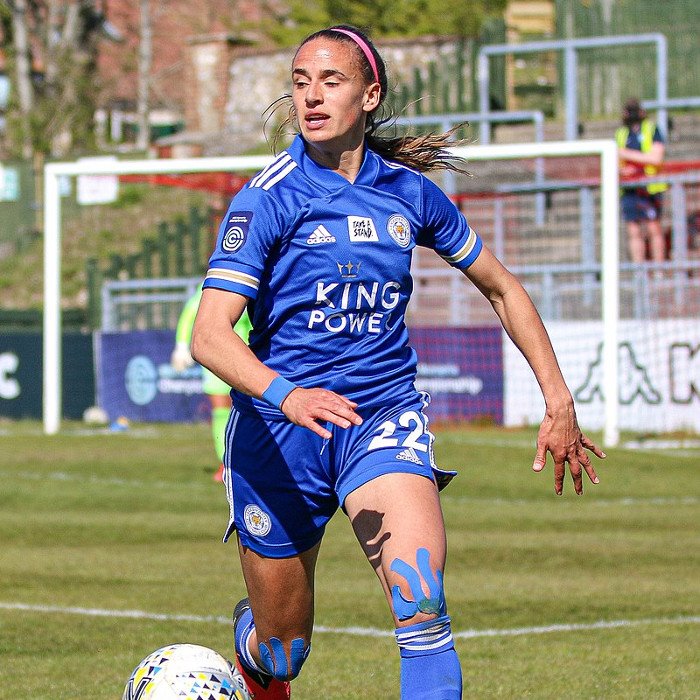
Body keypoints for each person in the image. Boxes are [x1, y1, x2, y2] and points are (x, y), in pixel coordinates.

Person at [191, 25, 605, 699]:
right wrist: (288, 393)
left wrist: (558, 401)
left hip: (380, 420)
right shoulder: (268, 198)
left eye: (331, 81)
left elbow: (502, 288)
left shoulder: (409, 194)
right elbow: (209, 336)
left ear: (370, 94)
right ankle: (253, 648)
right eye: (300, 82)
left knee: (421, 598)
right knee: (284, 651)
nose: (311, 96)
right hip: (279, 434)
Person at [171, 284, 252, 482]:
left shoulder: (253, 282)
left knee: (249, 412)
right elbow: (190, 313)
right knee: (222, 410)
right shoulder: (214, 281)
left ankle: (249, 461)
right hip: (216, 358)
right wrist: (181, 346)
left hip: (248, 359)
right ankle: (226, 461)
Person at [615, 97, 668, 264]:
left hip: (649, 188)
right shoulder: (621, 134)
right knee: (633, 230)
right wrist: (622, 170)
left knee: (653, 228)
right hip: (629, 189)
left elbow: (656, 158)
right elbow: (614, 160)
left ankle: (658, 270)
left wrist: (627, 155)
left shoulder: (651, 129)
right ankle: (638, 270)